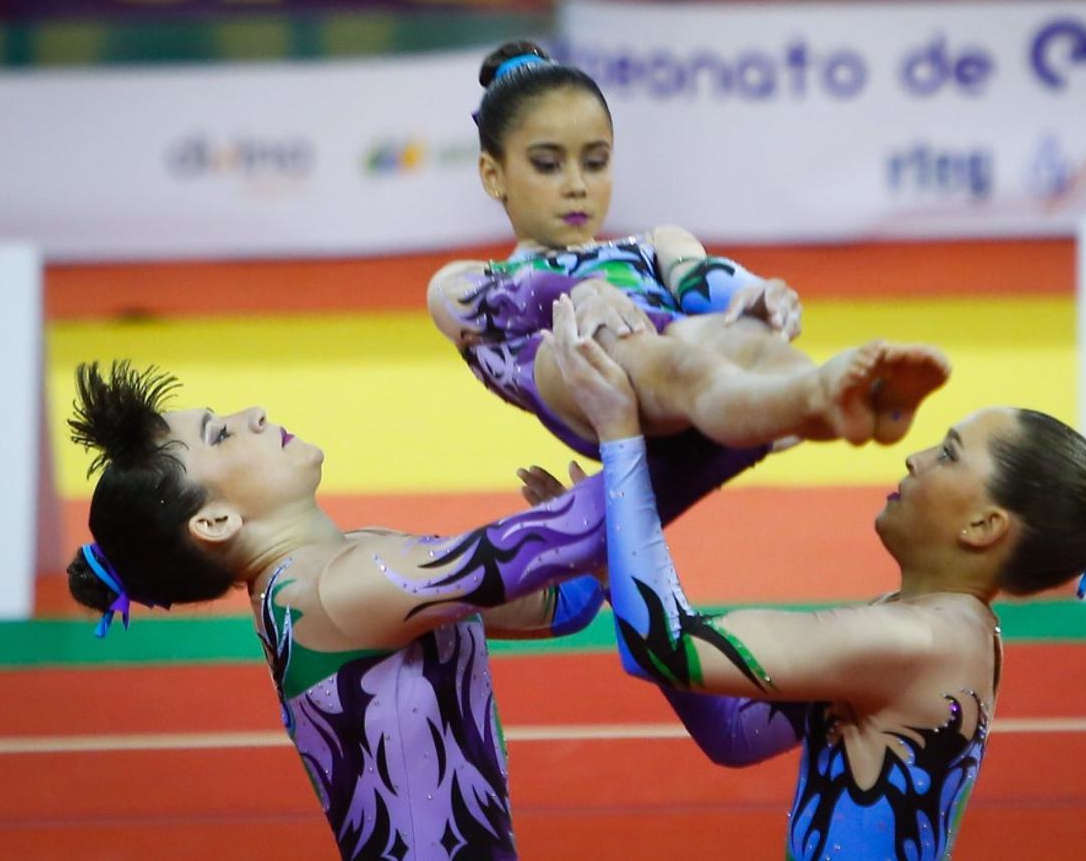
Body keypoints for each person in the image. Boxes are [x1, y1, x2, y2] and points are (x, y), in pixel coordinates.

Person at [534, 295, 1086, 860]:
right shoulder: (934, 628)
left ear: (983, 526)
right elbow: (732, 732)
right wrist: (617, 576)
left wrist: (621, 434)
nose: (916, 458)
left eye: (947, 454)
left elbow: (665, 647)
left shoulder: (910, 643)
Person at [63, 359, 770, 860]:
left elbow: (560, 605)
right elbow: (573, 535)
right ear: (213, 523)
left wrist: (588, 551)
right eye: (219, 435)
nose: (251, 415)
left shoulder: (355, 566)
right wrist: (740, 418)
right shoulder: (337, 592)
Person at [427, 40, 951, 456]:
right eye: (547, 164)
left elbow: (700, 277)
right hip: (578, 371)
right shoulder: (467, 278)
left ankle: (837, 399)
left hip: (678, 358)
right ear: (493, 175)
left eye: (595, 160)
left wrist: (757, 294)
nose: (576, 185)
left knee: (738, 339)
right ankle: (817, 399)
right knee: (643, 347)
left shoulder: (655, 243)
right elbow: (497, 297)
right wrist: (584, 292)